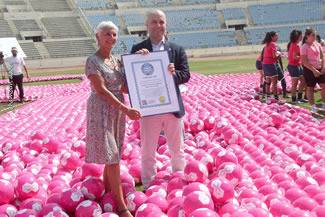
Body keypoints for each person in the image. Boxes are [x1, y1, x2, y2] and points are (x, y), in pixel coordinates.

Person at [85, 21, 141, 217]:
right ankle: (121, 206)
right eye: (107, 34)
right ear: (98, 37)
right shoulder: (93, 60)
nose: (111, 38)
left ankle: (108, 194)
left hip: (116, 112)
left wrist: (140, 64)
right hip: (101, 111)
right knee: (113, 156)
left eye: (114, 34)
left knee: (113, 155)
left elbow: (125, 87)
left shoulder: (115, 61)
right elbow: (101, 90)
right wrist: (126, 109)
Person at [131, 9, 190, 190]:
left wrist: (173, 73)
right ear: (147, 26)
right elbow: (132, 78)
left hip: (172, 108)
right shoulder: (137, 49)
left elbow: (185, 75)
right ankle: (149, 185)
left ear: (166, 25)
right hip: (150, 109)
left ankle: (180, 181)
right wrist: (137, 61)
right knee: (148, 151)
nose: (158, 26)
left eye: (161, 22)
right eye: (154, 22)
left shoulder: (177, 49)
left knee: (177, 150)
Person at [301, 27, 325, 113]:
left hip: (320, 69)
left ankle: (324, 104)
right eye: (312, 35)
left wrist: (323, 67)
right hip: (309, 70)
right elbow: (304, 61)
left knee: (324, 86)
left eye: (315, 35)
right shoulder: (304, 47)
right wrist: (314, 70)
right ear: (307, 36)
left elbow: (322, 57)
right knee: (310, 88)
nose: (314, 37)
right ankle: (313, 107)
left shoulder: (318, 45)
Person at [287, 29, 307, 104]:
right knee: (294, 83)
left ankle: (299, 97)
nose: (302, 37)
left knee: (303, 81)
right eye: (301, 36)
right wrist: (303, 56)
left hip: (297, 65)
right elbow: (295, 57)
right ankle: (294, 99)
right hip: (293, 66)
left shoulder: (295, 44)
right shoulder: (295, 45)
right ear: (298, 37)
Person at [262, 31, 280, 100]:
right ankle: (276, 97)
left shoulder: (267, 44)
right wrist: (279, 55)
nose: (277, 38)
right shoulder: (273, 44)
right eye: (276, 36)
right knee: (274, 82)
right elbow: (274, 56)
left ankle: (268, 97)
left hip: (265, 64)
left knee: (268, 81)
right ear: (272, 37)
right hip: (270, 64)